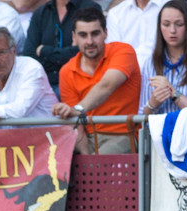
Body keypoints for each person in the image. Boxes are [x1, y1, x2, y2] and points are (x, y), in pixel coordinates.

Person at [52, 6, 142, 154]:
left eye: (95, 34)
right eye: (83, 35)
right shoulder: (67, 71)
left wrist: (77, 109)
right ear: (74, 37)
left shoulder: (123, 51)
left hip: (123, 135)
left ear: (105, 33)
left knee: (99, 163)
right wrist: (87, 161)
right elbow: (76, 125)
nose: (89, 41)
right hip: (88, 139)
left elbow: (107, 85)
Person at [138, 0, 187, 115]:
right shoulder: (150, 63)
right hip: (160, 132)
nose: (172, 31)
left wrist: (174, 93)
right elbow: (142, 117)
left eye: (179, 24)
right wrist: (152, 104)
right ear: (159, 27)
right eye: (166, 24)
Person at [23, 0, 93, 91]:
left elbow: (86, 51)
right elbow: (29, 56)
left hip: (78, 82)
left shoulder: (89, 8)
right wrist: (66, 54)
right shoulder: (41, 12)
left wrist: (44, 51)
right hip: (45, 84)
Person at [105, 0, 164, 68]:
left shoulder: (168, 7)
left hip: (162, 70)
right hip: (127, 73)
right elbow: (115, 53)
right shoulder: (115, 13)